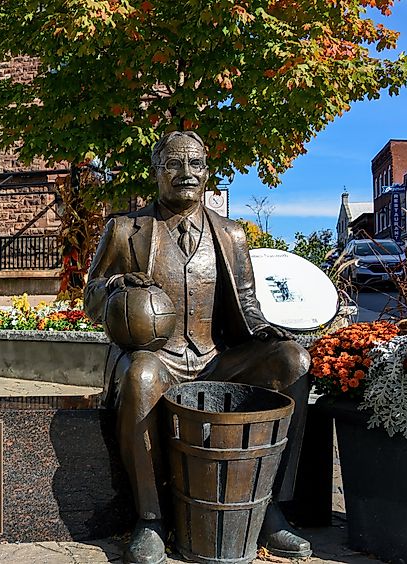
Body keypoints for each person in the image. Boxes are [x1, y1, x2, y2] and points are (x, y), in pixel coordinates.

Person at [84, 131, 312, 564]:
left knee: (293, 361)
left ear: (207, 172)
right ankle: (151, 519)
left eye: (195, 164)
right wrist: (116, 286)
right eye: (173, 164)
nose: (186, 173)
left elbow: (246, 305)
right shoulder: (125, 229)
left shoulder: (231, 235)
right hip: (158, 357)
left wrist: (266, 330)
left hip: (216, 358)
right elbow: (90, 297)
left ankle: (270, 509)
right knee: (141, 374)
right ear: (156, 172)